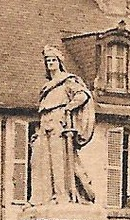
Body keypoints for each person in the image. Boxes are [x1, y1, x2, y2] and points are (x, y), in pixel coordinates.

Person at [34, 45, 98, 204]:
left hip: (58, 122)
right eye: (48, 61)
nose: (50, 63)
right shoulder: (46, 86)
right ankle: (46, 197)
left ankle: (62, 195)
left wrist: (69, 108)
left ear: (59, 62)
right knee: (42, 161)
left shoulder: (67, 81)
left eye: (53, 60)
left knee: (58, 160)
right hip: (45, 122)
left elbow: (83, 95)